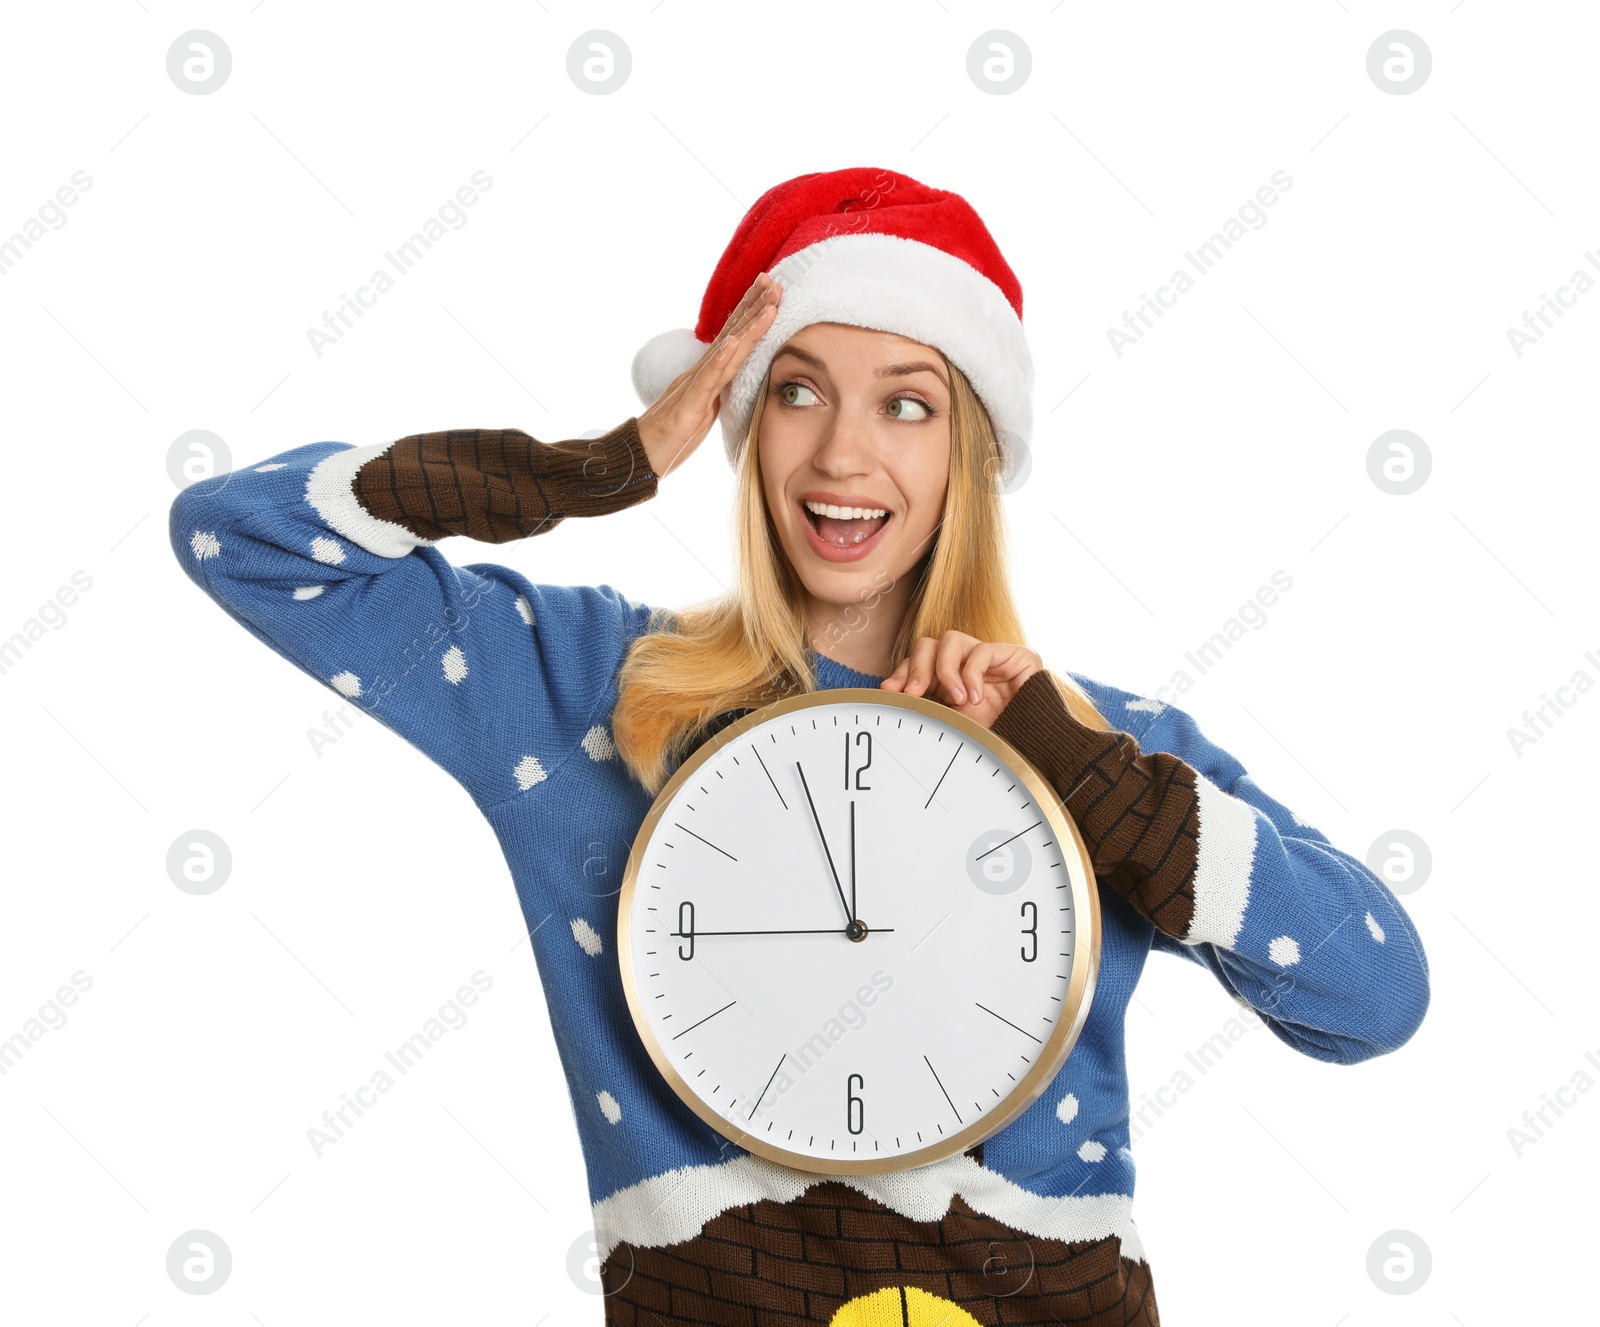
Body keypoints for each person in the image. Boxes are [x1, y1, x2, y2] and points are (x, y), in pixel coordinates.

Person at [170, 167, 1430, 1325]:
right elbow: (241, 535)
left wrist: (1077, 765)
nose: (843, 452)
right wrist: (601, 466)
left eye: (908, 402)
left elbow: (1376, 1000)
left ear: (971, 450)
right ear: (740, 416)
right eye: (796, 389)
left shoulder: (1101, 745)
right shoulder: (595, 693)